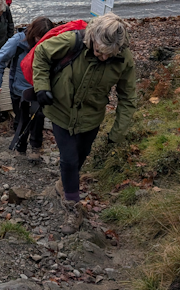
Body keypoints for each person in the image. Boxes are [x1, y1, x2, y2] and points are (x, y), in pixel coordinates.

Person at [31, 12, 136, 235]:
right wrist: (42, 87)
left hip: (91, 117)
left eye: (108, 54)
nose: (103, 58)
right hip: (60, 111)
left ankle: (64, 184)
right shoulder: (72, 41)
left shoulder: (124, 60)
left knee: (80, 156)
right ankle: (72, 207)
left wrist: (117, 132)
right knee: (69, 159)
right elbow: (41, 52)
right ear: (92, 39)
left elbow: (128, 97)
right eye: (98, 52)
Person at [0, 16, 55, 161]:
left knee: (39, 117)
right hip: (19, 88)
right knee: (21, 118)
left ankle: (36, 147)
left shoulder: (51, 42)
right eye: (38, 37)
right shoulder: (17, 42)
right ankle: (20, 146)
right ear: (33, 33)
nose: (40, 41)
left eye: (44, 38)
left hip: (40, 87)